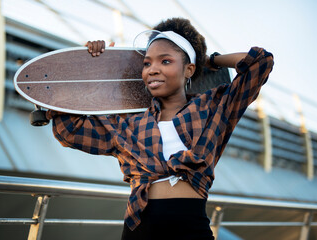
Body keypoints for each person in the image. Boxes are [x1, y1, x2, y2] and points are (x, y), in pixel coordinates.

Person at [46, 18, 274, 240]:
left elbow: (259, 63)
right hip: (140, 227)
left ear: (189, 69)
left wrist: (208, 61)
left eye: (165, 61)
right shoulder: (129, 123)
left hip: (191, 226)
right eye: (147, 63)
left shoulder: (213, 107)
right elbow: (69, 128)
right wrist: (94, 68)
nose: (152, 69)